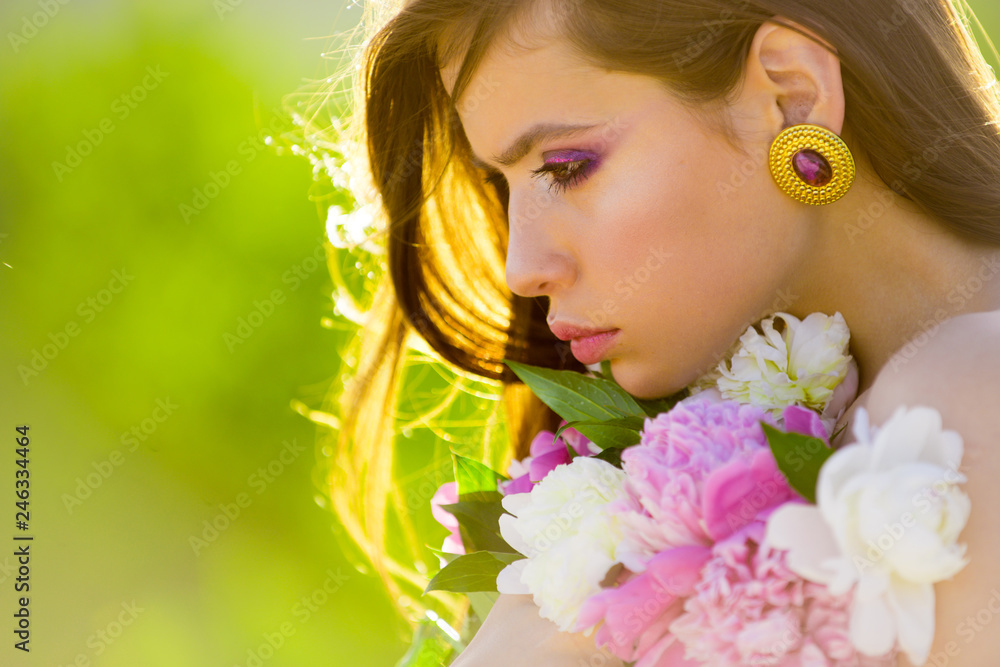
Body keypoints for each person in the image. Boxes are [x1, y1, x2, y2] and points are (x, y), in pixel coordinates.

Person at [325, 0, 1000, 664]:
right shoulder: (737, 432)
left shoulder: (970, 390)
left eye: (565, 167)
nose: (521, 270)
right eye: (502, 185)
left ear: (792, 97)